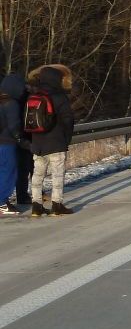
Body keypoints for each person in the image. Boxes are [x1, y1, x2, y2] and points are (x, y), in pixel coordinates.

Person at [28, 64, 75, 217]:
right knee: (57, 174)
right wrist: (66, 139)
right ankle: (57, 205)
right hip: (56, 142)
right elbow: (68, 120)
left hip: (38, 143)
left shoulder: (33, 96)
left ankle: (36, 206)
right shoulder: (60, 96)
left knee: (37, 175)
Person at [0, 72, 24, 215]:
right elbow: (14, 125)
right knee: (8, 173)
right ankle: (2, 202)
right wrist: (21, 139)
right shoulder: (12, 103)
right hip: (6, 143)